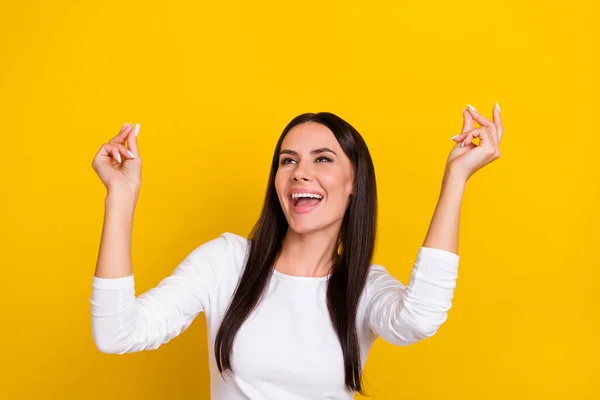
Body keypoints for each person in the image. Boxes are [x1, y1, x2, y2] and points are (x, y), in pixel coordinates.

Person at [90, 106, 503, 399]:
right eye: (288, 161)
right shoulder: (226, 263)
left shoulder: (362, 287)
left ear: (354, 183)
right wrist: (121, 196)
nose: (300, 172)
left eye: (322, 159)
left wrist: (456, 176)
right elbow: (116, 334)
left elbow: (420, 319)